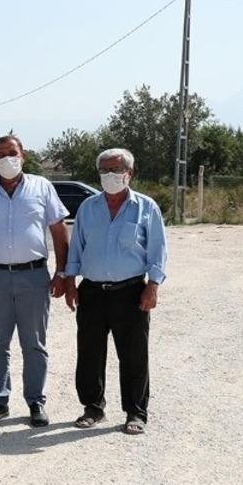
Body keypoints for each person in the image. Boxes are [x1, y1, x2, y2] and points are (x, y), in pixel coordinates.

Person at [0, 135, 70, 427]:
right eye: (1, 154)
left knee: (34, 343)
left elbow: (58, 229)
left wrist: (62, 272)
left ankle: (35, 402)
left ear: (23, 155)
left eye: (13, 153)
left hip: (33, 276)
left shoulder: (42, 186)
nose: (7, 158)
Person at [64, 148, 167, 435]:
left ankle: (135, 412)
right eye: (105, 170)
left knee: (134, 355)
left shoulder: (146, 207)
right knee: (89, 353)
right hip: (92, 292)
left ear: (130, 173)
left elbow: (157, 251)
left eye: (117, 169)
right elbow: (77, 248)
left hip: (131, 291)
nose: (111, 175)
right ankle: (92, 407)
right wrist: (70, 282)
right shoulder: (88, 208)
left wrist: (153, 286)